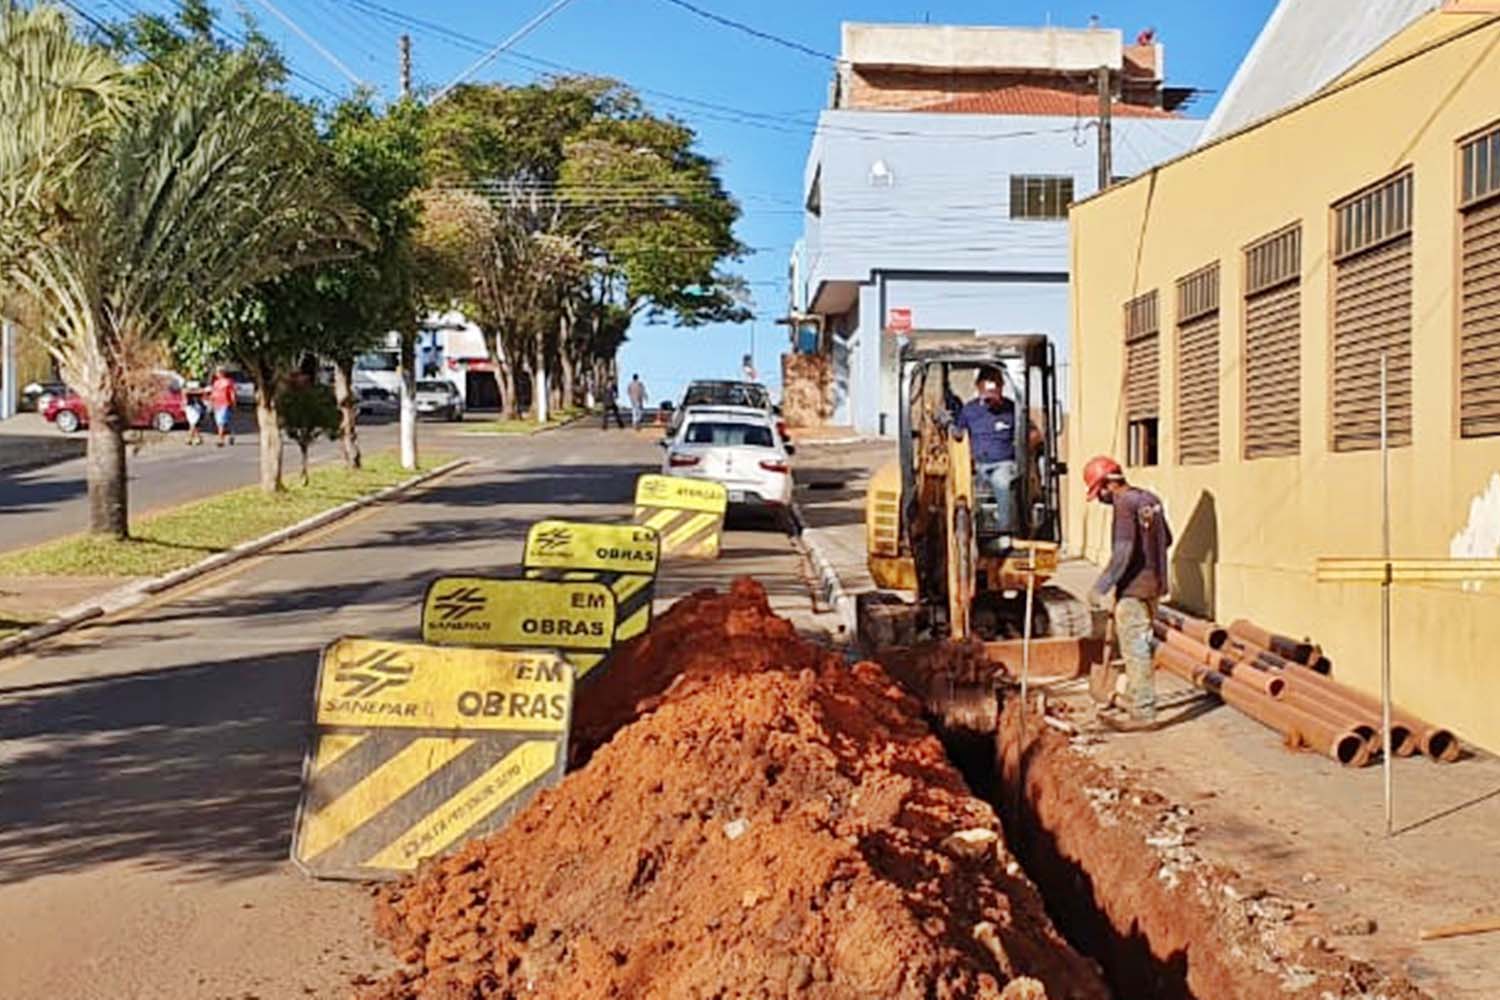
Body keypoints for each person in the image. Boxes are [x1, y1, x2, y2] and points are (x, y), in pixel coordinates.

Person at [1084, 455, 1173, 728]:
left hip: (1134, 589)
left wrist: (1101, 588)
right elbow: (1166, 539)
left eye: (1098, 492)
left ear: (1107, 485)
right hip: (1155, 585)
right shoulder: (1150, 499)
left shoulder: (1123, 504)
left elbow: (1123, 552)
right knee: (1142, 643)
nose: (1100, 498)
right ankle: (1136, 697)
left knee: (1136, 649)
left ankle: (1144, 713)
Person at [950, 368, 1018, 532]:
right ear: (978, 387)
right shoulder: (969, 410)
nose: (990, 399)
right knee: (963, 490)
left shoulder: (1013, 409)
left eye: (995, 392)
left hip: (1003, 464)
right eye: (987, 394)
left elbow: (1032, 433)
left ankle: (1004, 529)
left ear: (1002, 387)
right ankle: (970, 531)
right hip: (977, 465)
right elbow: (958, 433)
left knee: (1002, 483)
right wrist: (949, 426)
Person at [208, 367, 236, 447]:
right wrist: (211, 402)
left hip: (225, 404)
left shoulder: (228, 382)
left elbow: (232, 393)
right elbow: (213, 393)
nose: (217, 374)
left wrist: (234, 403)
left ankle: (221, 440)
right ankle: (231, 435)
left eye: (218, 372)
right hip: (217, 404)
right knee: (222, 422)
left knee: (221, 423)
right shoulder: (216, 383)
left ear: (222, 373)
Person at [183, 381, 205, 446]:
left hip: (197, 406)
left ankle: (191, 438)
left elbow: (202, 391)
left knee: (193, 423)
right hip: (190, 406)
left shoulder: (199, 387)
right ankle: (195, 438)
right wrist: (194, 391)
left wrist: (193, 391)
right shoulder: (187, 386)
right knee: (193, 423)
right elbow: (184, 391)